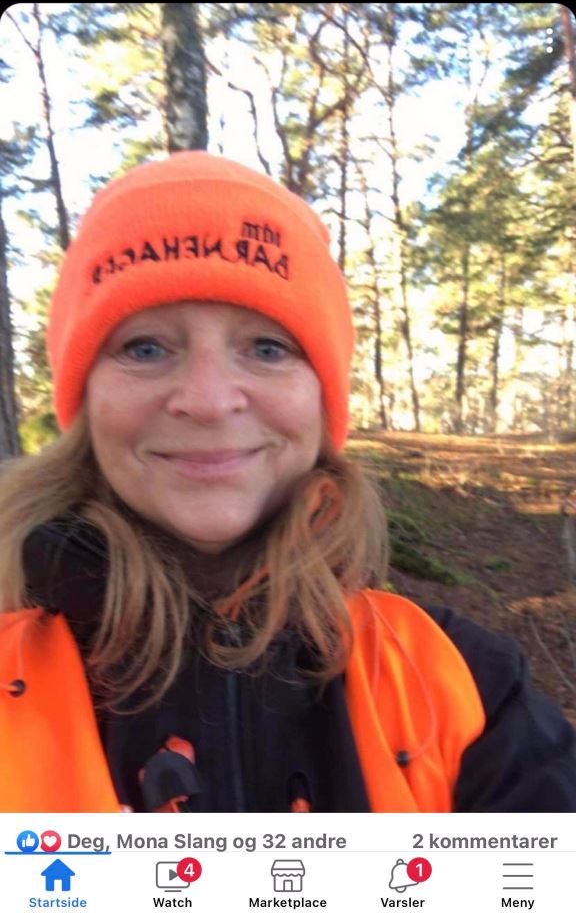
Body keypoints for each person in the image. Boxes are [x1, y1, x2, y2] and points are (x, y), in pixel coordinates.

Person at [0, 151, 574, 814]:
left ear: (322, 400)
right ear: (85, 399)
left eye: (268, 348)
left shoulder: (459, 684)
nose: (209, 401)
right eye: (145, 348)